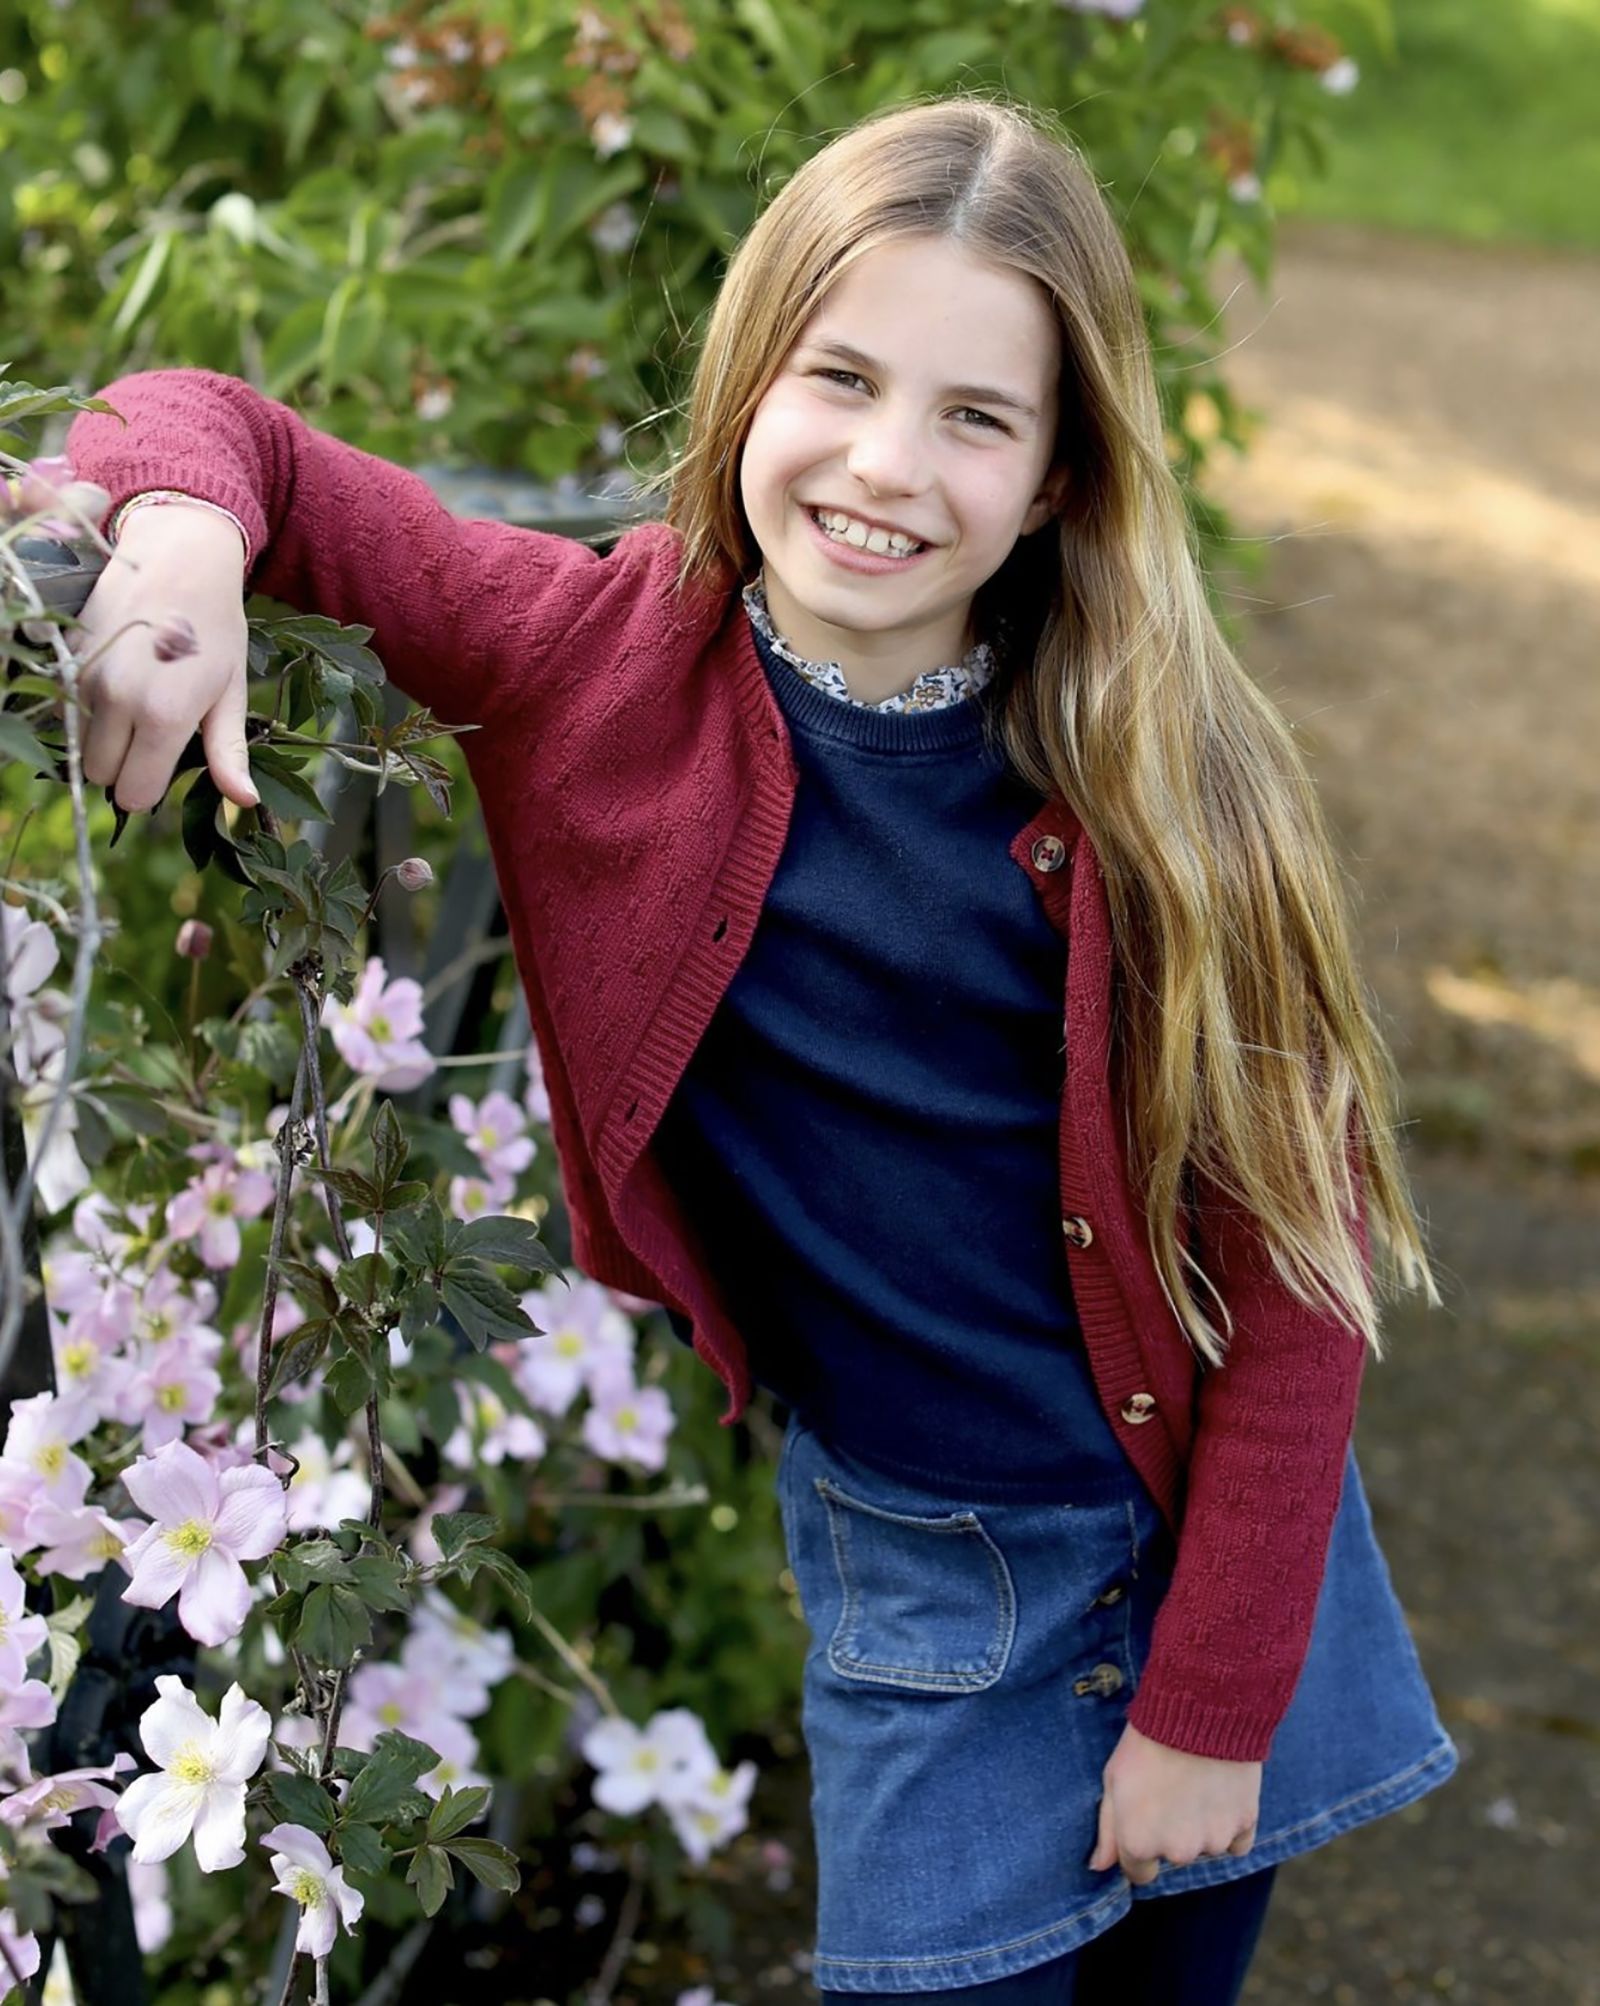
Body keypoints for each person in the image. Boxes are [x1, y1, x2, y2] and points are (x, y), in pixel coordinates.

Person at [65, 92, 1457, 2006]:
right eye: (843, 377)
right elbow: (219, 423)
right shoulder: (589, 662)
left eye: (977, 416)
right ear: (749, 379)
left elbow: (1298, 1271)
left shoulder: (1164, 784)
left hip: (1224, 1546)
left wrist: (1215, 1696)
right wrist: (176, 546)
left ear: (1058, 478)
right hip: (926, 1586)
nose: (889, 466)